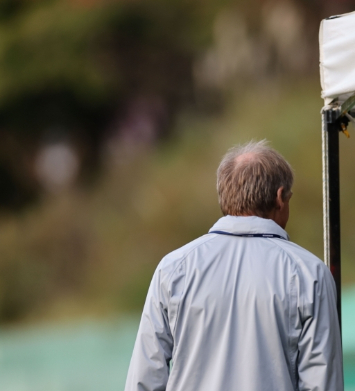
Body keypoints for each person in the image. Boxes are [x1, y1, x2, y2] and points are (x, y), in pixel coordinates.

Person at [124, 140, 343, 391]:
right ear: (280, 198)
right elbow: (322, 383)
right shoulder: (310, 273)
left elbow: (144, 379)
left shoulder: (172, 269)